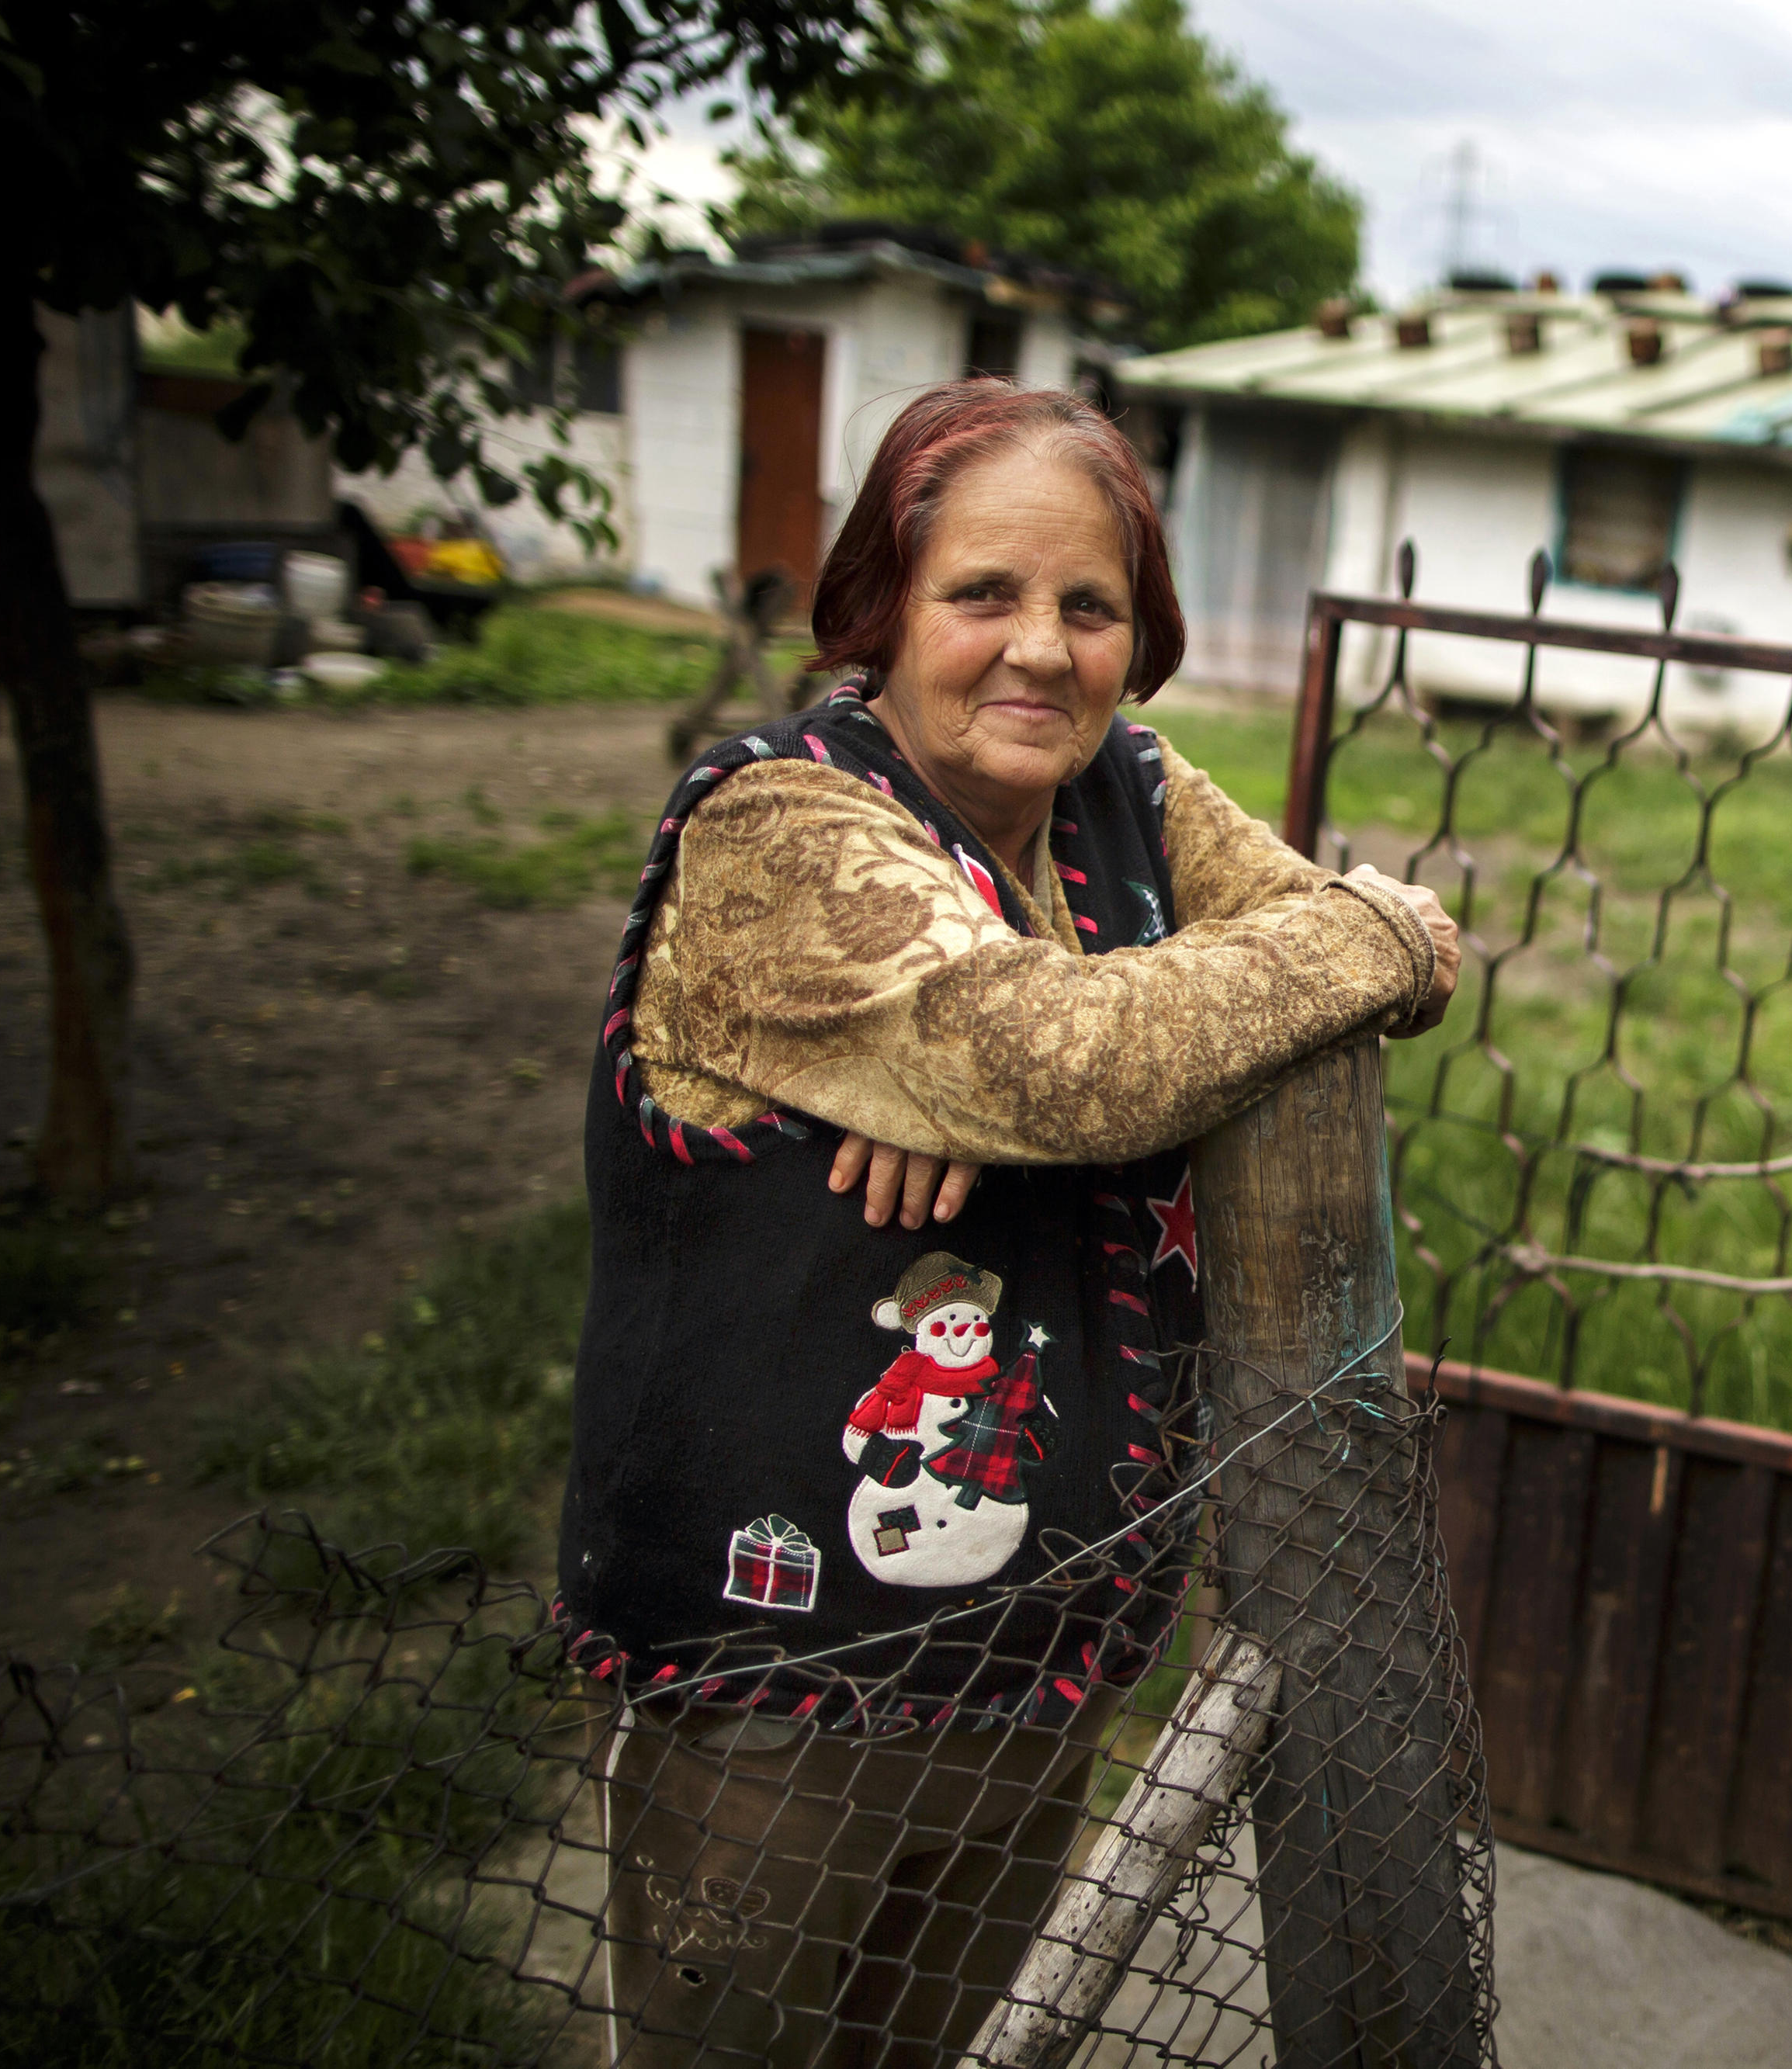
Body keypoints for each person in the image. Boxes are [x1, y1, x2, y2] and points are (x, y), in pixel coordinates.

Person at [554, 380, 1461, 2064]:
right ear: (881, 607)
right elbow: (1070, 1062)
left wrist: (1020, 1069)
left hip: (1041, 1659)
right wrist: (1357, 940)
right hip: (780, 1674)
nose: (1037, 647)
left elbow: (1148, 1025)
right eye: (981, 593)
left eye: (1089, 605)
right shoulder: (780, 823)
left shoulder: (1129, 793)